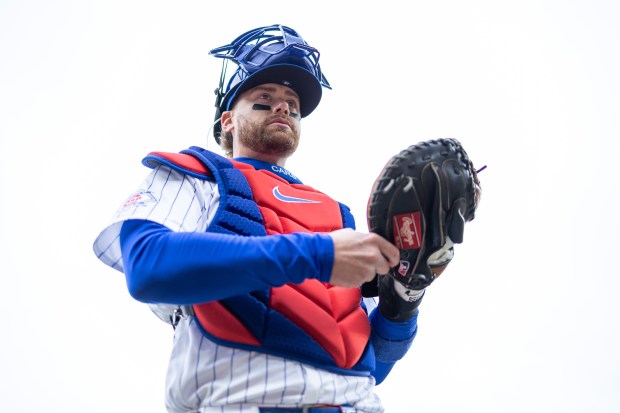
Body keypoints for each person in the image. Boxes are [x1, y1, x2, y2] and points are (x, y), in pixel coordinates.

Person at [93, 24, 425, 413]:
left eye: (293, 104)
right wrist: (317, 255)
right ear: (228, 120)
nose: (283, 106)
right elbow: (149, 266)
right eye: (264, 99)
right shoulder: (196, 174)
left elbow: (361, 362)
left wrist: (404, 303)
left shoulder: (335, 213)